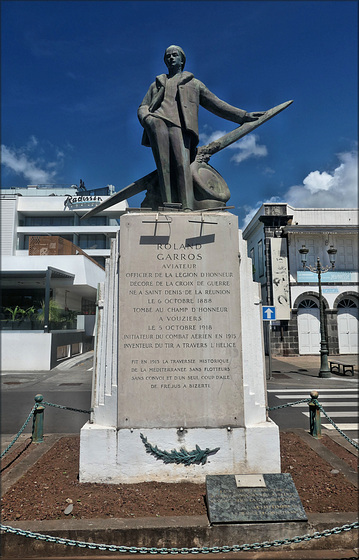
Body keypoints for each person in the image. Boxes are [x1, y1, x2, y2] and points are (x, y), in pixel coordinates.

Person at [138, 45, 263, 211]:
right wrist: (147, 118)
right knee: (164, 167)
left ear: (182, 60)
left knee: (183, 166)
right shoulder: (156, 85)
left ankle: (187, 206)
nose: (171, 58)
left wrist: (243, 116)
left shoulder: (193, 84)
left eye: (175, 55)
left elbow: (216, 104)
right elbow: (143, 106)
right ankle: (168, 204)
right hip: (157, 122)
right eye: (167, 56)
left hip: (180, 126)